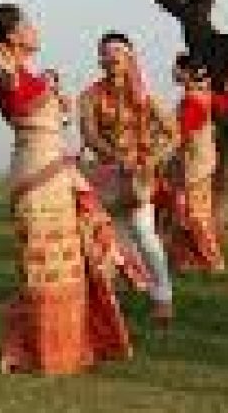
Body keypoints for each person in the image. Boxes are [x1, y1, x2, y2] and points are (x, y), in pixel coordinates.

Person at [0, 3, 136, 374]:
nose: (35, 29)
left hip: (55, 174)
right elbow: (16, 101)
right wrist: (10, 74)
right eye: (28, 25)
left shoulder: (29, 75)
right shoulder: (13, 77)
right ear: (14, 36)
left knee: (71, 261)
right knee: (42, 267)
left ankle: (70, 349)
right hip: (37, 178)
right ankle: (43, 351)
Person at [79, 33, 178, 323]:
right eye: (106, 53)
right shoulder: (89, 95)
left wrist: (152, 158)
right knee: (114, 239)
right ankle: (114, 297)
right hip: (108, 174)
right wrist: (114, 155)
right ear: (100, 59)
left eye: (118, 52)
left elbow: (172, 132)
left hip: (139, 176)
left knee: (144, 234)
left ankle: (163, 298)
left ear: (130, 56)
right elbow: (90, 134)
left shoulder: (144, 94)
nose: (111, 58)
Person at [160, 53, 228, 273]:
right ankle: (187, 261)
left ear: (186, 73)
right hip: (200, 162)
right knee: (185, 213)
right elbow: (226, 105)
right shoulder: (203, 95)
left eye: (176, 69)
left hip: (195, 166)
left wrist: (160, 150)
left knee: (193, 214)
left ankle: (212, 260)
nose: (173, 72)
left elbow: (181, 132)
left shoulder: (193, 99)